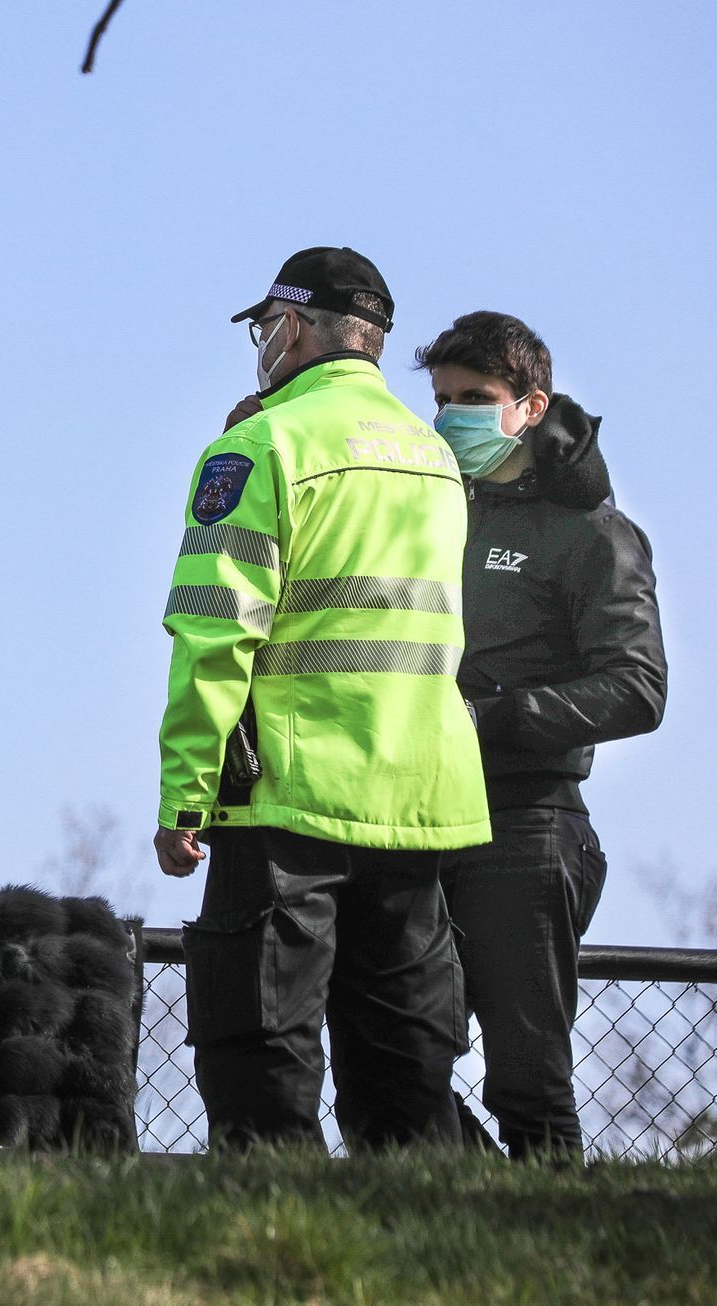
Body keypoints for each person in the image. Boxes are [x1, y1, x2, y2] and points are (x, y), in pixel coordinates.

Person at [153, 247, 490, 1150]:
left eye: (265, 327)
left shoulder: (260, 447)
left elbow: (214, 633)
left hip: (288, 806)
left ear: (293, 328)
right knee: (408, 1081)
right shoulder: (436, 459)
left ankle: (274, 1265)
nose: (262, 343)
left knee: (261, 1062)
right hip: (421, 806)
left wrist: (185, 797)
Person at [417, 311, 666, 1159]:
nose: (453, 416)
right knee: (398, 1059)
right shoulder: (431, 509)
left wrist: (500, 717)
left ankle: (554, 1247)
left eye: (475, 398)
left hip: (529, 826)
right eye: (442, 398)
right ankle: (460, 1235)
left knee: (528, 1082)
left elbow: (639, 687)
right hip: (415, 819)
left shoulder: (593, 530)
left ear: (531, 405)